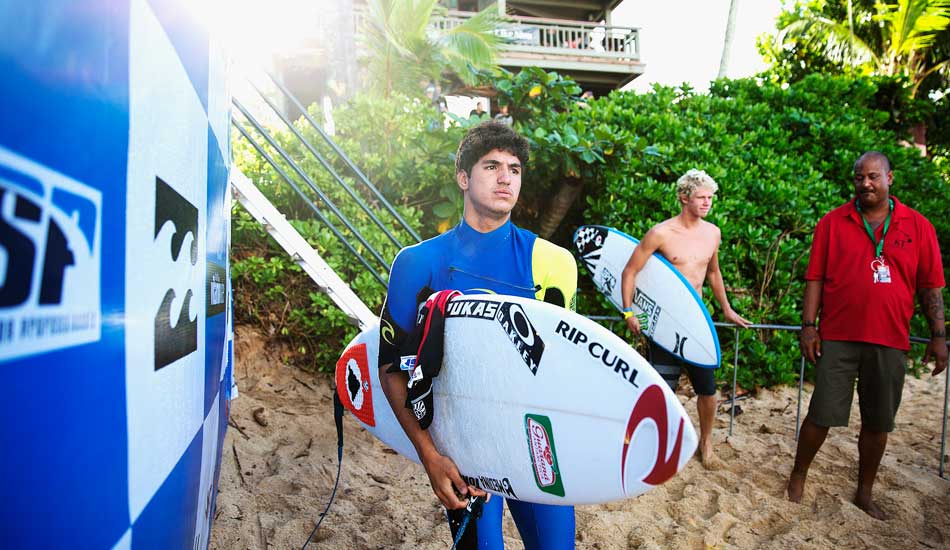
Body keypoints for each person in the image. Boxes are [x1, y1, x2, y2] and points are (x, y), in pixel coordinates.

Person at [377, 121, 578, 549]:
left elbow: (560, 370)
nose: (506, 177)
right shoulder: (418, 263)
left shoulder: (553, 263)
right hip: (462, 449)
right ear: (463, 178)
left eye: (515, 169)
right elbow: (390, 368)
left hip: (533, 440)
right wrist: (431, 456)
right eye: (491, 166)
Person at [786, 151, 946, 520]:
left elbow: (931, 286)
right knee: (821, 414)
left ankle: (864, 491)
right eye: (860, 178)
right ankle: (798, 475)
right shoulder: (832, 222)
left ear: (891, 178)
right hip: (838, 336)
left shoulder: (918, 226)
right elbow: (815, 279)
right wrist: (808, 326)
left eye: (873, 177)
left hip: (890, 339)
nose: (866, 184)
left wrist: (938, 335)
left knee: (878, 422)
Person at [620, 168, 751, 469]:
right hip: (665, 324)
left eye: (710, 198)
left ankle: (706, 443)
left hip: (696, 324)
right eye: (701, 197)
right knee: (663, 389)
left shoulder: (713, 232)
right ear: (683, 197)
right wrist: (629, 311)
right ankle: (657, 446)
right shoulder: (661, 233)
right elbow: (630, 271)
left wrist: (728, 310)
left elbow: (714, 273)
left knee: (708, 389)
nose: (707, 203)